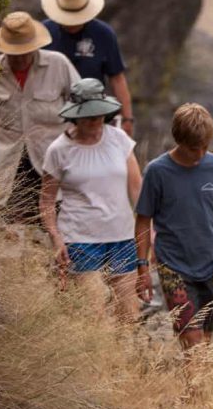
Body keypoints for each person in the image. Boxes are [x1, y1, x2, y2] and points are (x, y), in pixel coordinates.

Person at [134, 103, 213, 349]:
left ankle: (197, 389)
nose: (199, 154)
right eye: (193, 148)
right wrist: (142, 267)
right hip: (173, 266)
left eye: (205, 147)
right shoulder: (157, 172)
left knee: (208, 339)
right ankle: (195, 389)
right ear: (178, 140)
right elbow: (143, 221)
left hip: (211, 265)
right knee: (192, 339)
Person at [39, 78, 142, 322]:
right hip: (80, 238)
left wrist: (150, 229)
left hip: (122, 236)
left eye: (98, 115)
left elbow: (138, 188)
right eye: (88, 117)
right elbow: (46, 201)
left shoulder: (119, 139)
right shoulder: (59, 150)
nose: (95, 121)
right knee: (92, 314)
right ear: (75, 116)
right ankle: (97, 357)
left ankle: (121, 360)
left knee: (129, 314)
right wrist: (56, 238)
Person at [0, 11, 79, 225]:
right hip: (8, 161)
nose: (20, 57)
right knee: (7, 226)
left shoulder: (59, 64)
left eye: (25, 51)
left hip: (52, 158)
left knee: (55, 223)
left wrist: (74, 137)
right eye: (13, 52)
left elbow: (82, 103)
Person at [41, 0, 135, 137]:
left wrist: (127, 118)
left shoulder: (104, 34)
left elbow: (117, 77)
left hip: (91, 115)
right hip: (51, 117)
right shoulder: (44, 32)